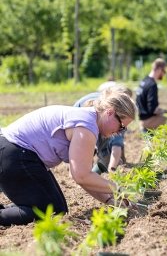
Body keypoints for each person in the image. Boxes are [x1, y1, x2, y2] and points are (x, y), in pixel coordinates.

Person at [0, 90, 136, 226]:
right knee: (51, 212)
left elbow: (84, 177)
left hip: (16, 153)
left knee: (56, 208)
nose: (119, 133)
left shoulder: (88, 119)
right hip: (14, 154)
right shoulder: (86, 126)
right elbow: (81, 176)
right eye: (121, 127)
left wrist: (109, 200)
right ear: (110, 112)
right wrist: (117, 189)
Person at [74, 84, 133, 174]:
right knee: (86, 149)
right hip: (79, 120)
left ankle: (90, 172)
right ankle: (87, 173)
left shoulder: (107, 104)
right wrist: (112, 168)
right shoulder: (109, 115)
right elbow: (116, 145)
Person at [136, 58, 167, 132]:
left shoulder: (144, 81)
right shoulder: (152, 85)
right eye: (164, 71)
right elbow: (153, 110)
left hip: (143, 119)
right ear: (159, 69)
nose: (164, 74)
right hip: (148, 121)